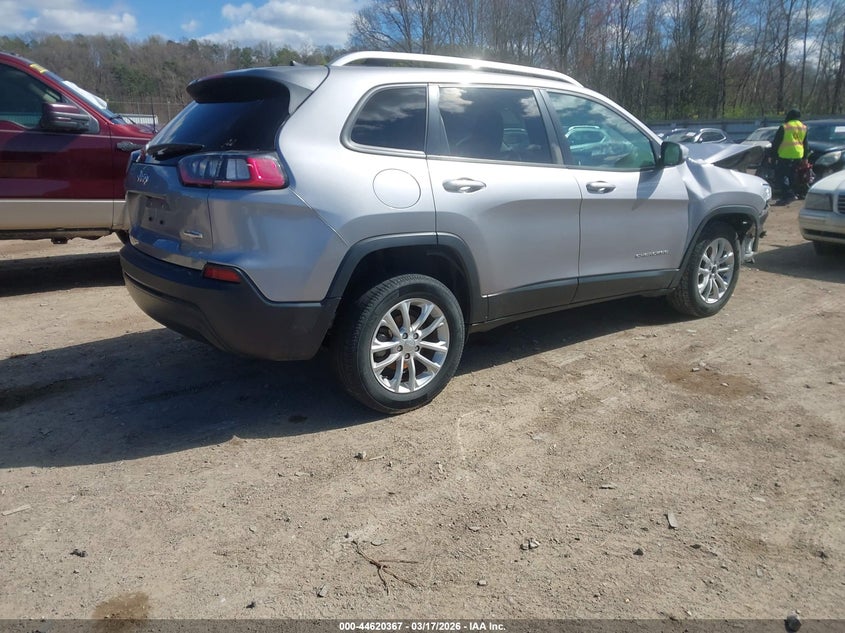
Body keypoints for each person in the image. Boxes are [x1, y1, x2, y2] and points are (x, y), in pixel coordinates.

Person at [771, 109, 808, 204]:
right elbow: (805, 143)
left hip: (785, 154)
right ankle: (793, 193)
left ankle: (788, 196)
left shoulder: (785, 127)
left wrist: (773, 155)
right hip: (798, 155)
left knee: (781, 175)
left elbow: (776, 143)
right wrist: (805, 158)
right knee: (793, 176)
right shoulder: (803, 127)